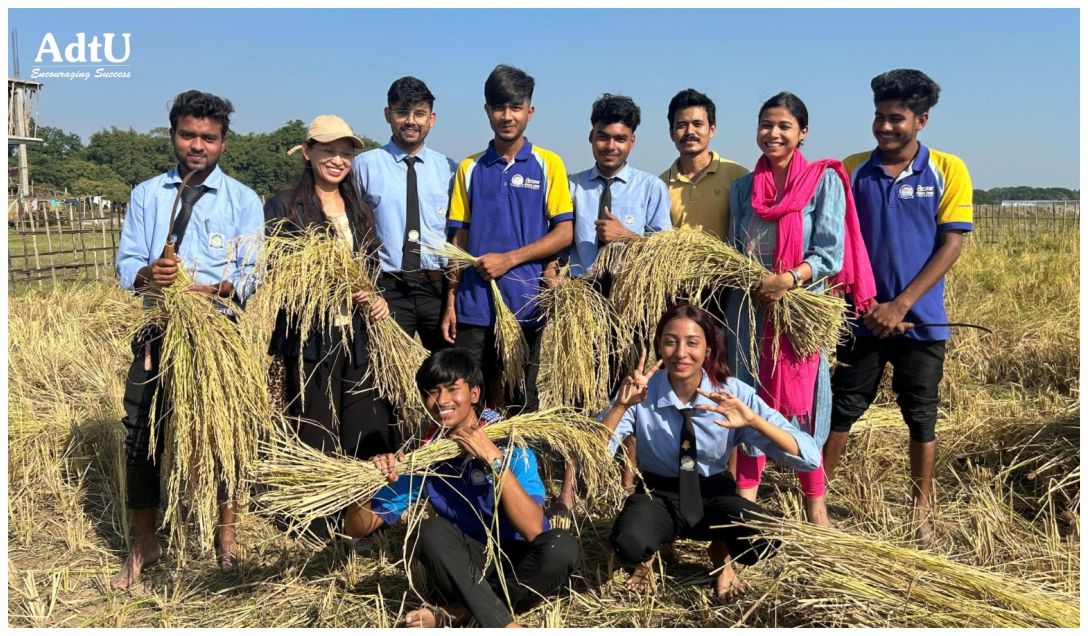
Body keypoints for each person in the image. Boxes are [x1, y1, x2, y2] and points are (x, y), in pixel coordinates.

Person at [112, 89, 264, 588]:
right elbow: (126, 261)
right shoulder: (146, 194)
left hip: (218, 331)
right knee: (142, 433)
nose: (197, 145)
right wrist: (149, 277)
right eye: (188, 135)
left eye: (209, 137)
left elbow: (251, 272)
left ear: (223, 142)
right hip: (158, 331)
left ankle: (226, 536)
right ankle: (146, 543)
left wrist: (217, 287)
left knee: (224, 435)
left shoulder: (242, 199)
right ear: (173, 134)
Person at [826, 69, 973, 545]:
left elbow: (951, 244)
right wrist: (867, 304)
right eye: (879, 117)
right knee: (842, 408)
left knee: (921, 413)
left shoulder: (948, 170)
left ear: (921, 120)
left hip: (922, 321)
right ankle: (817, 499)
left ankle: (920, 512)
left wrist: (902, 304)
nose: (885, 128)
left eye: (896, 118)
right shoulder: (851, 169)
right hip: (862, 317)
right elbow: (839, 240)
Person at [344, 348, 581, 628]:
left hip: (516, 563)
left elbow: (534, 529)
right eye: (432, 392)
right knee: (430, 531)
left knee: (561, 547)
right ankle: (503, 624)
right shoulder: (425, 457)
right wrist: (373, 481)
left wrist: (494, 460)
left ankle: (462, 611)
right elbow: (355, 528)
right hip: (464, 566)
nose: (441, 400)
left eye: (452, 389)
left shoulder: (511, 443)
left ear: (475, 395)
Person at [724, 92, 876, 527]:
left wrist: (787, 280)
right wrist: (753, 281)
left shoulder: (823, 180)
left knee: (805, 402)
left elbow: (831, 251)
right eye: (766, 125)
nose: (773, 134)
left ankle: (815, 506)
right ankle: (746, 504)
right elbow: (738, 249)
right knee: (750, 395)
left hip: (798, 314)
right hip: (751, 312)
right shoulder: (743, 189)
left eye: (784, 126)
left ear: (802, 133)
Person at [602, 303, 821, 600]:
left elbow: (809, 457)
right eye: (671, 341)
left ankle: (721, 553)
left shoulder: (733, 393)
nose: (681, 353)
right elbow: (593, 453)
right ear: (659, 346)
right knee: (629, 542)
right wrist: (620, 407)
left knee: (762, 537)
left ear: (708, 349)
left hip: (714, 492)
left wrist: (753, 420)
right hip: (658, 492)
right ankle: (648, 558)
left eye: (692, 343)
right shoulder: (640, 393)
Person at [264, 114, 395, 539]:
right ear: (307, 152)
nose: (337, 160)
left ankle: (362, 517)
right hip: (311, 334)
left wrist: (376, 298)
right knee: (316, 422)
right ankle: (315, 520)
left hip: (358, 334)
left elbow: (372, 267)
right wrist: (321, 282)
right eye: (328, 151)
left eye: (345, 153)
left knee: (363, 420)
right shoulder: (284, 205)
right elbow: (278, 269)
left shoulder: (360, 209)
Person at [441, 64, 574, 411]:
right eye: (499, 107)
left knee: (520, 402)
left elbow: (564, 232)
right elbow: (458, 240)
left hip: (526, 304)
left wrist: (510, 259)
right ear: (487, 110)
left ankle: (516, 465)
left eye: (515, 107)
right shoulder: (469, 168)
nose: (507, 115)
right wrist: (452, 300)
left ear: (530, 111)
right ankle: (468, 463)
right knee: (465, 397)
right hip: (474, 306)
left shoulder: (549, 165)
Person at [563, 93, 671, 507]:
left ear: (633, 141)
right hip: (582, 302)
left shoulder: (650, 188)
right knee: (581, 392)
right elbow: (559, 241)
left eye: (620, 138)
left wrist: (628, 237)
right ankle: (570, 489)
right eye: (603, 137)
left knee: (632, 387)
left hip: (632, 301)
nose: (611, 146)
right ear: (591, 137)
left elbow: (665, 252)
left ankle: (626, 486)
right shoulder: (571, 185)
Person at [354, 76, 457, 353]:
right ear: (388, 114)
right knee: (386, 374)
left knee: (444, 374)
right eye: (402, 112)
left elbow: (458, 234)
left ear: (432, 118)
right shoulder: (364, 167)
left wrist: (451, 298)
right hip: (387, 290)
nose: (411, 121)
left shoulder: (449, 170)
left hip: (436, 288)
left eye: (419, 114)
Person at [659, 88, 749, 242]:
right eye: (681, 125)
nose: (690, 131)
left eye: (697, 124)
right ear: (671, 133)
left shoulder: (739, 176)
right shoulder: (660, 185)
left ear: (712, 130)